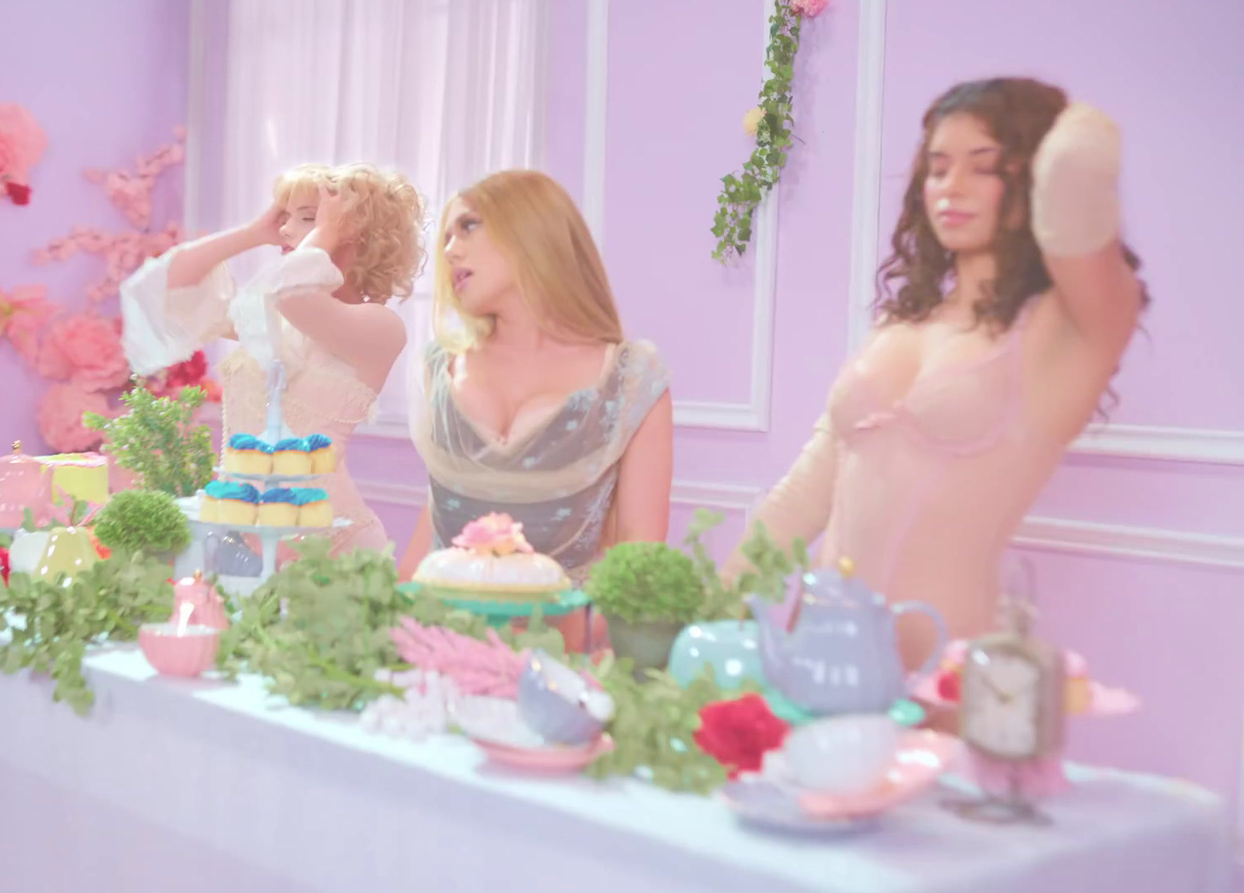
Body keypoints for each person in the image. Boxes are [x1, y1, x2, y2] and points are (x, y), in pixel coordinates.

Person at [724, 78, 1149, 673]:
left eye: (985, 166)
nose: (952, 187)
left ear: (1028, 174)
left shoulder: (1071, 331)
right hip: (816, 656)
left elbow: (1078, 164)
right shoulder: (904, 323)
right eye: (937, 167)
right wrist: (705, 605)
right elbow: (803, 496)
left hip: (940, 672)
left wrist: (1038, 129)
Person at [399, 169, 674, 649]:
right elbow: (432, 539)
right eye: (445, 237)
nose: (449, 251)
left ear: (532, 228)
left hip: (563, 661)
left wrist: (564, 669)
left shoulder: (631, 377)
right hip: (437, 652)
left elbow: (637, 557)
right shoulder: (436, 370)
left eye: (468, 226)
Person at [121, 162, 427, 555]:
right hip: (238, 534)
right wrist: (252, 233)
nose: (284, 229)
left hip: (329, 541)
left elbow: (294, 293)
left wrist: (328, 230)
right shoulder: (269, 318)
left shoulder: (380, 327)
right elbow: (166, 288)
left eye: (306, 218)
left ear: (355, 232)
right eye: (284, 217)